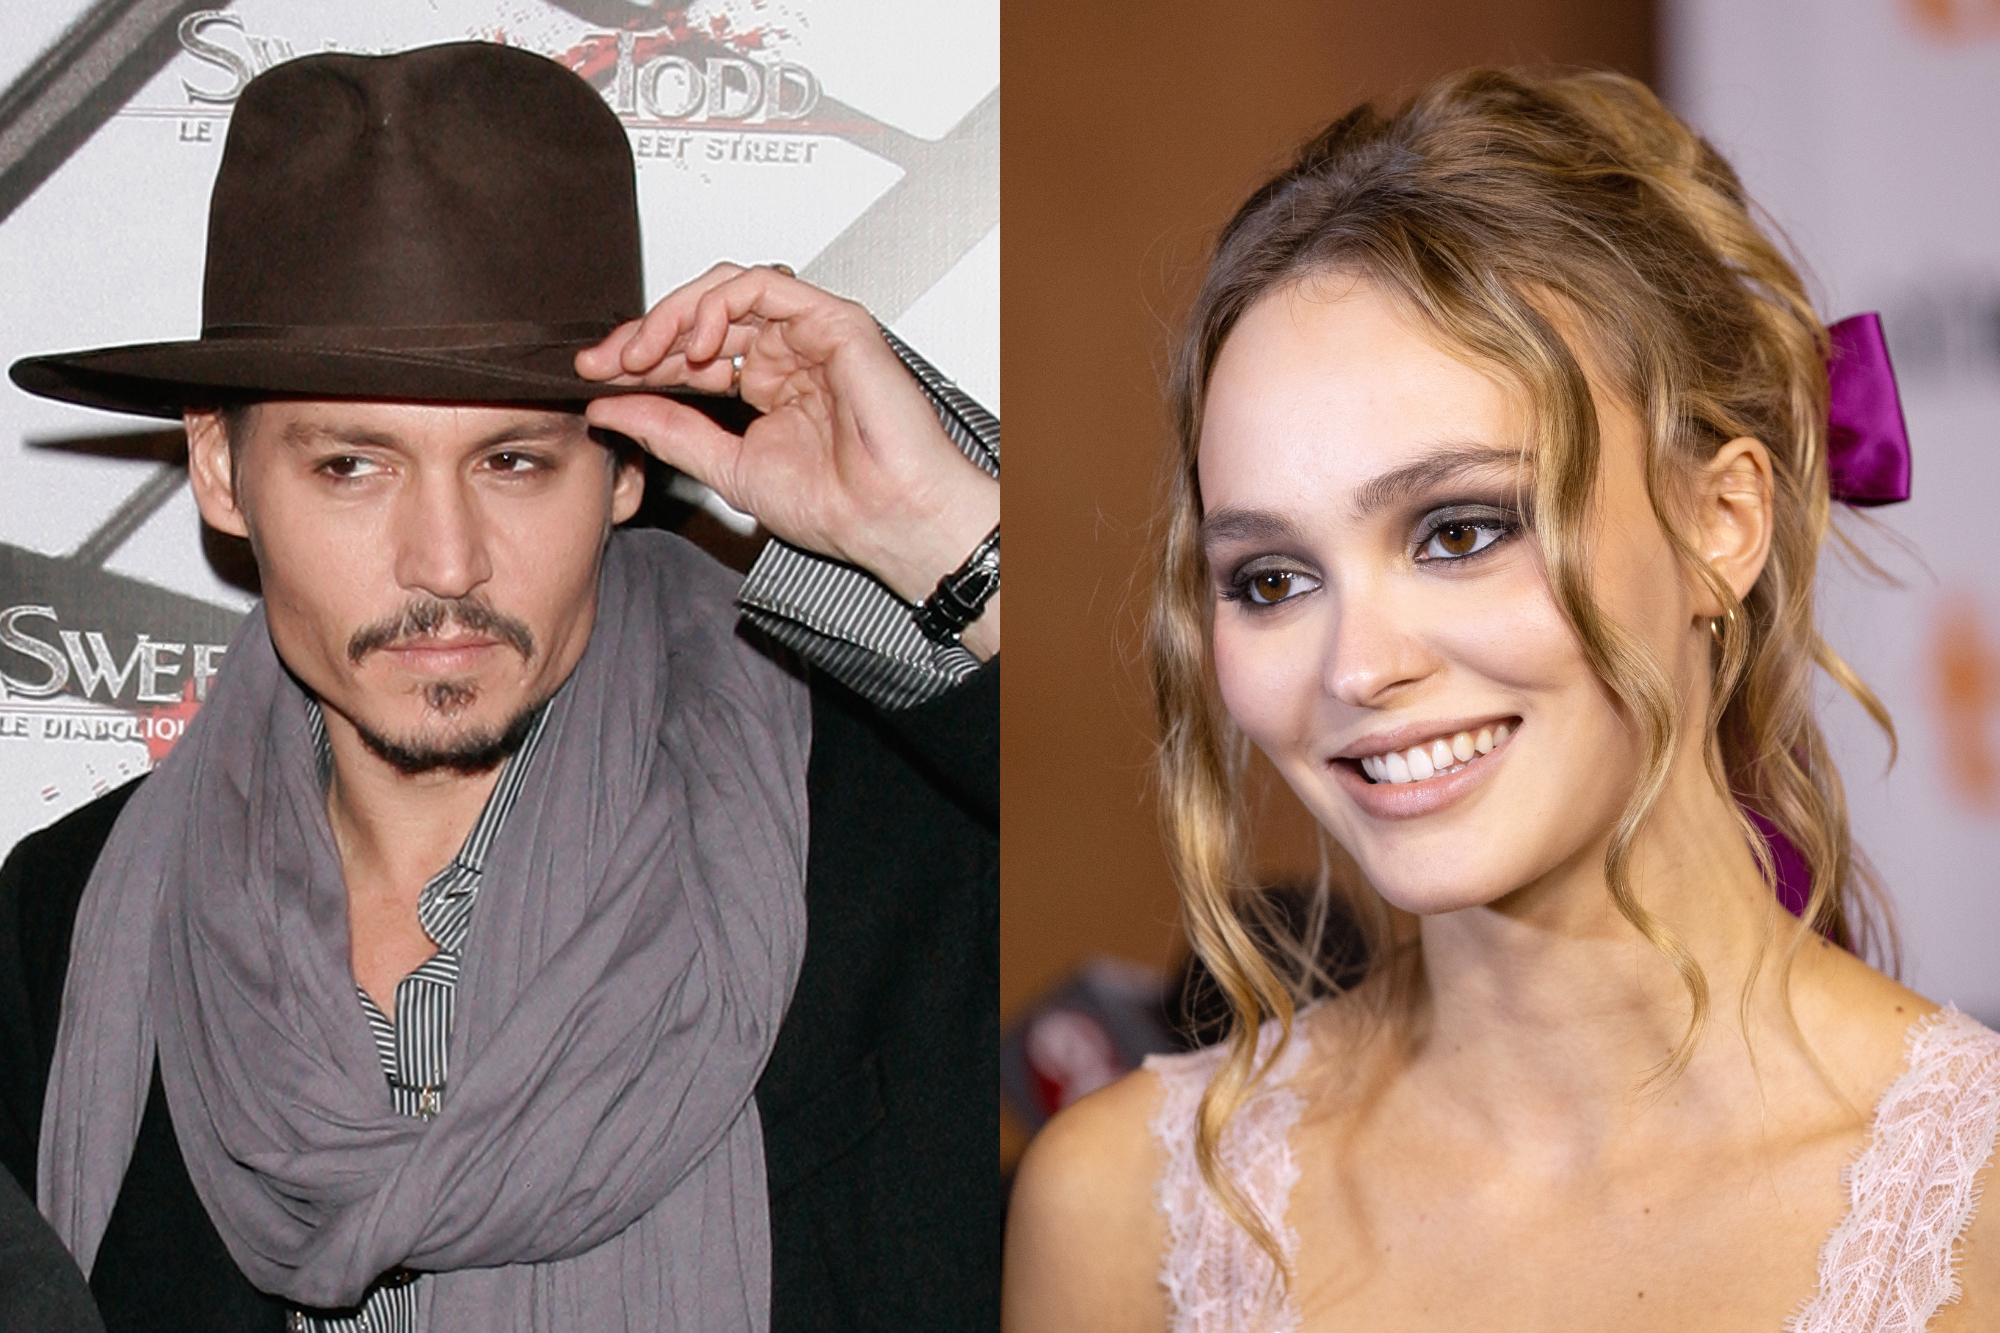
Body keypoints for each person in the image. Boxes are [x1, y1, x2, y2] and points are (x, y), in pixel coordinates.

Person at [0, 41, 996, 1333]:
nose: (447, 562)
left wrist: (951, 549)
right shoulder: (66, 924)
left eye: (516, 462)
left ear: (628, 467)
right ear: (223, 474)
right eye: (352, 466)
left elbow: (1253, 947)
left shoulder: (900, 845)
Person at [1004, 68, 2000, 1331]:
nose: (1356, 667)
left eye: (1458, 530)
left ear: (1722, 523)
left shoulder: (1980, 1205)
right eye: (1270, 576)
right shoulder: (1120, 1212)